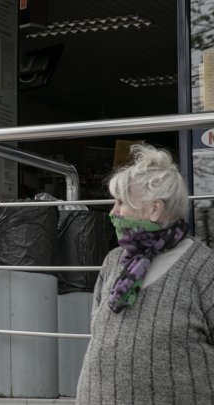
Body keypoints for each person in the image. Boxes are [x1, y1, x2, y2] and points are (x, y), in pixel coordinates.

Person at [76, 144, 214, 404]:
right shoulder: (114, 262)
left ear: (154, 209)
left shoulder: (203, 268)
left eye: (122, 203)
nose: (113, 212)